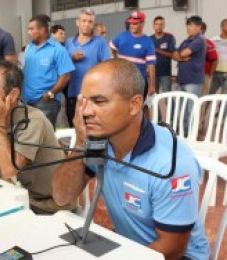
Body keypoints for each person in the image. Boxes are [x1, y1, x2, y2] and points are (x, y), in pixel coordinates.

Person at [52, 58, 209, 260]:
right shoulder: (99, 141)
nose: (87, 112)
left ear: (134, 104)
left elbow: (172, 249)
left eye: (99, 101)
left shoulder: (173, 163)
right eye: (84, 101)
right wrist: (80, 142)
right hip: (131, 246)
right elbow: (61, 197)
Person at [0, 60, 74, 214]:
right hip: (28, 197)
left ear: (13, 95)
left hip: (52, 203)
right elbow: (4, 172)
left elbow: (9, 170)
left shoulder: (32, 119)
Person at [22, 14, 75, 127]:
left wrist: (51, 93)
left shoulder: (58, 50)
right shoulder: (29, 48)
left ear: (42, 30)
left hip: (45, 102)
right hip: (26, 100)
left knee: (42, 136)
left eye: (31, 29)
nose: (28, 32)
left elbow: (66, 76)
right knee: (30, 134)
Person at [65, 7, 109, 126]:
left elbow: (106, 67)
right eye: (84, 21)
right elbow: (63, 66)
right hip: (73, 93)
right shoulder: (69, 42)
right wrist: (72, 58)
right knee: (74, 127)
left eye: (90, 21)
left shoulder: (100, 42)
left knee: (92, 129)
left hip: (93, 95)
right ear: (77, 22)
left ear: (93, 24)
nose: (86, 24)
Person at [110, 11, 156, 100]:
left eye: (135, 23)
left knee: (138, 106)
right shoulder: (122, 36)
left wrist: (152, 85)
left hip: (139, 82)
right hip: (121, 80)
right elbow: (112, 46)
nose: (132, 25)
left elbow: (151, 65)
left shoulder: (148, 42)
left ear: (142, 23)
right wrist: (115, 58)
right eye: (130, 23)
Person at [173, 16, 206, 134]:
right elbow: (175, 54)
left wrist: (180, 55)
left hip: (193, 80)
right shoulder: (186, 40)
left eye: (191, 25)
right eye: (187, 25)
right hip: (182, 79)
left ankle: (191, 134)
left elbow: (183, 53)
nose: (188, 28)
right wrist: (181, 57)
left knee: (190, 108)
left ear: (198, 27)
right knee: (182, 108)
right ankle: (183, 133)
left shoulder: (200, 40)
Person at [150, 16, 176, 95]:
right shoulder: (149, 39)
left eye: (161, 24)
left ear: (164, 25)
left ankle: (172, 108)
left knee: (167, 98)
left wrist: (157, 50)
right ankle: (158, 108)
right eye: (157, 24)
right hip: (152, 73)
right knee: (154, 97)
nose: (159, 26)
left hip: (166, 74)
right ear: (153, 25)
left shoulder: (169, 38)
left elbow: (172, 55)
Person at [209, 18, 227, 95]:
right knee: (208, 95)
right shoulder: (213, 40)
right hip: (215, 73)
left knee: (224, 99)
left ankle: (222, 107)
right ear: (222, 27)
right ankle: (204, 107)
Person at [201, 22, 219, 97]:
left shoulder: (208, 43)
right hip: (189, 76)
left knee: (202, 97)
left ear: (203, 30)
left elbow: (215, 60)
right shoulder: (187, 42)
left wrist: (209, 75)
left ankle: (201, 109)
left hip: (203, 75)